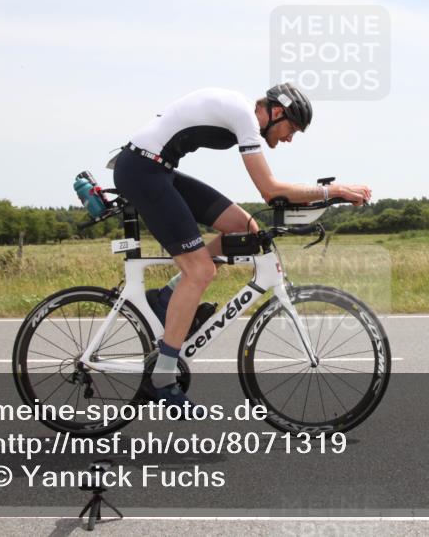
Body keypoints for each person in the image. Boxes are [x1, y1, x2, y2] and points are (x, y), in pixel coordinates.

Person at [110, 83, 371, 408]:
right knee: (200, 271)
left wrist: (322, 198)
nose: (290, 138)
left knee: (243, 228)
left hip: (156, 169)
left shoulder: (241, 114)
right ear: (276, 112)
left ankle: (167, 299)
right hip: (142, 171)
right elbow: (269, 189)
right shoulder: (246, 117)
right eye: (292, 128)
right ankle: (162, 375)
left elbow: (271, 194)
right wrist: (335, 191)